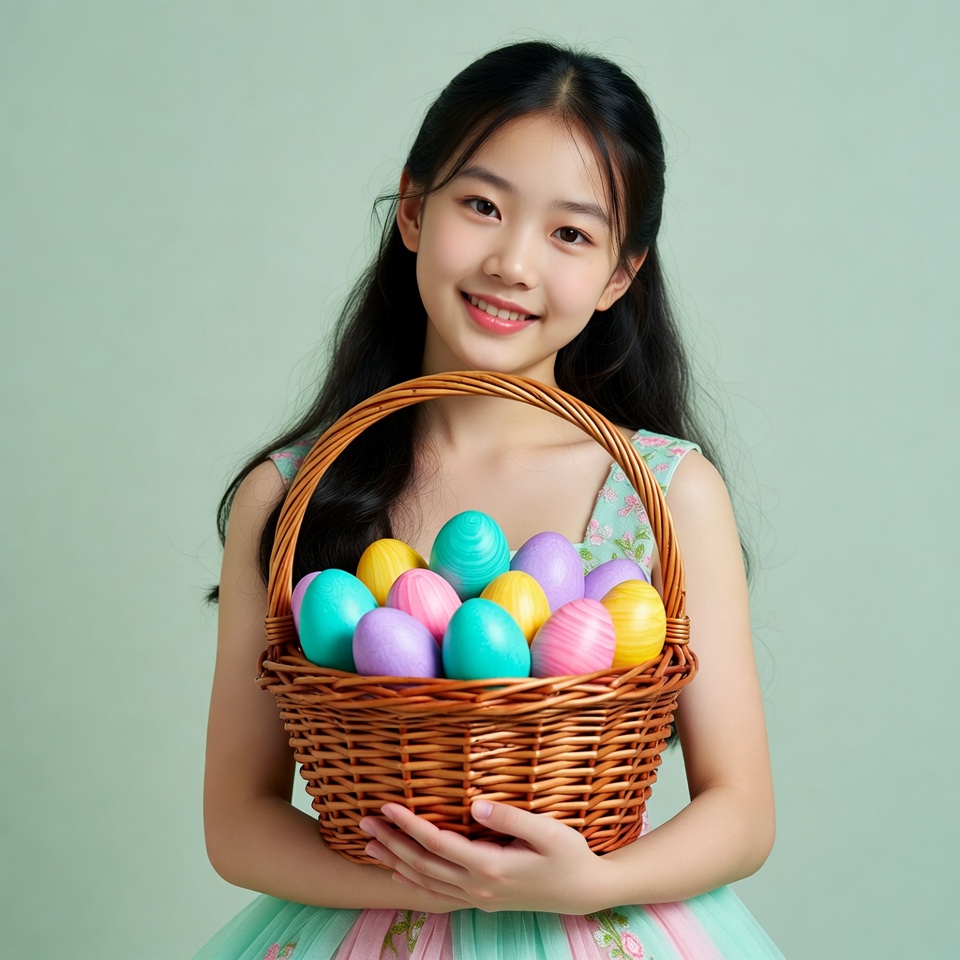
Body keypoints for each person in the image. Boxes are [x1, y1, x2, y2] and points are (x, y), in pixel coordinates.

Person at [195, 40, 783, 959]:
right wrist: (443, 885)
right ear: (415, 212)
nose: (513, 262)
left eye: (570, 234)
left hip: (599, 925)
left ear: (620, 276)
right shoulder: (292, 494)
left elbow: (742, 810)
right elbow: (237, 822)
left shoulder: (664, 492)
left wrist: (587, 884)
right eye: (482, 206)